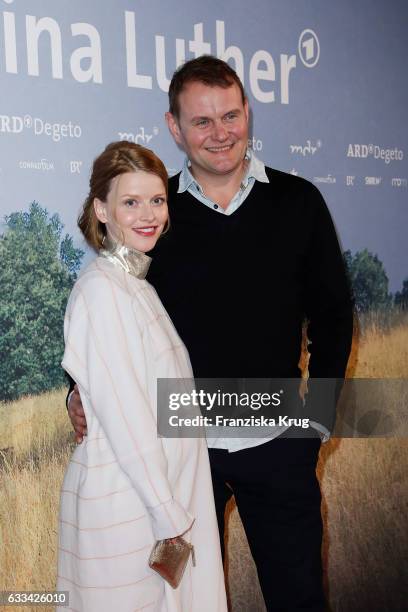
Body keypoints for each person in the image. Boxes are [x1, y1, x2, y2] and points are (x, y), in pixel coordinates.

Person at [68, 56, 353, 611]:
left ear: (248, 113)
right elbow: (109, 315)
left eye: (230, 115)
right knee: (189, 603)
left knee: (300, 598)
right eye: (201, 121)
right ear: (174, 127)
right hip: (182, 451)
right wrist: (75, 390)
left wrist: (314, 424)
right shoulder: (154, 212)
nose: (220, 133)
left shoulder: (298, 202)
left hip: (278, 445)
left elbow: (334, 317)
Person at [58, 141, 227, 611]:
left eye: (157, 200)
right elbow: (126, 415)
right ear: (102, 210)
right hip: (131, 511)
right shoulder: (101, 291)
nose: (148, 214)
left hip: (154, 507)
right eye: (130, 202)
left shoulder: (134, 285)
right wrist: (168, 516)